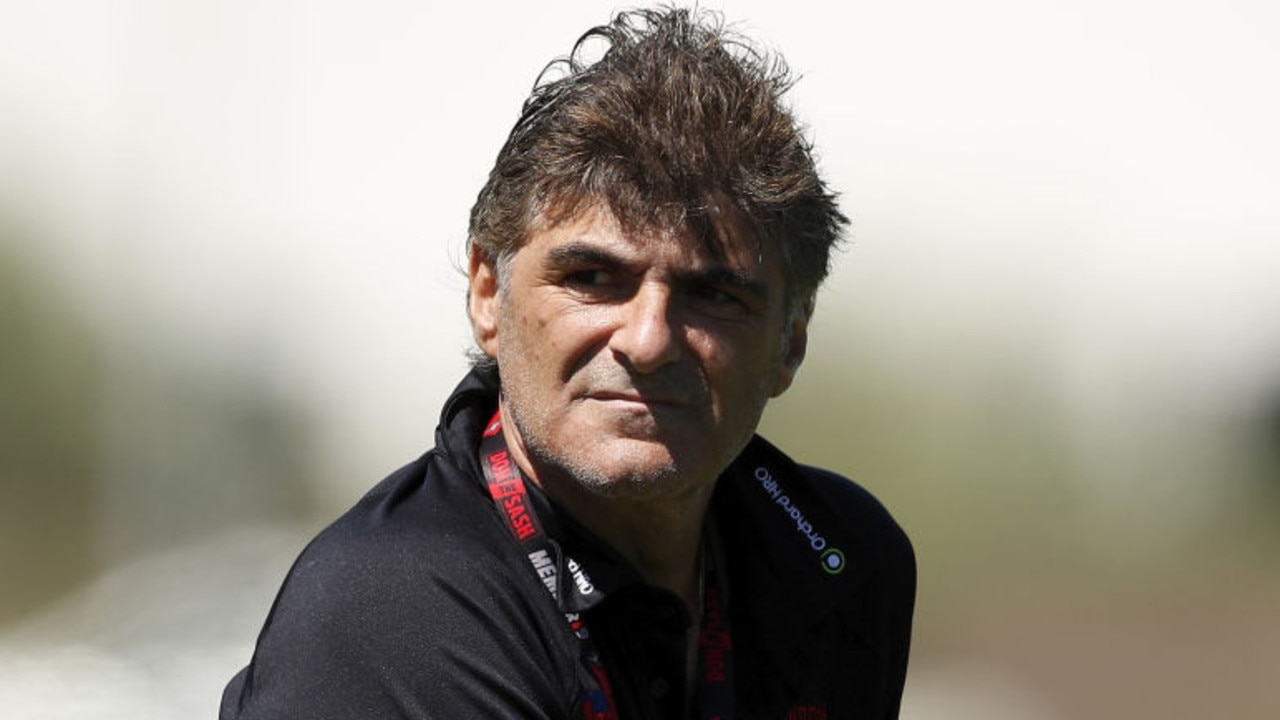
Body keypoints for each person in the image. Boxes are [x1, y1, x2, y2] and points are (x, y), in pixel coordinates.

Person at [221, 6, 915, 719]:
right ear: (488, 296)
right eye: (591, 278)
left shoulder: (840, 557)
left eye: (712, 293)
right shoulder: (389, 611)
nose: (647, 341)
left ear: (791, 340)